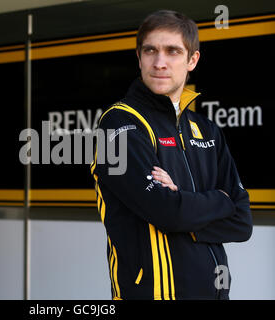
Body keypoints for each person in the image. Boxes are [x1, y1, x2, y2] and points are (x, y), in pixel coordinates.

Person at [90, 10, 252, 300]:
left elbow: (242, 222)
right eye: (150, 50)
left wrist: (183, 201)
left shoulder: (207, 130)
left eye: (173, 51)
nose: (159, 62)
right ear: (139, 58)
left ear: (192, 60)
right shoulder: (119, 123)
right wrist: (220, 199)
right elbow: (166, 212)